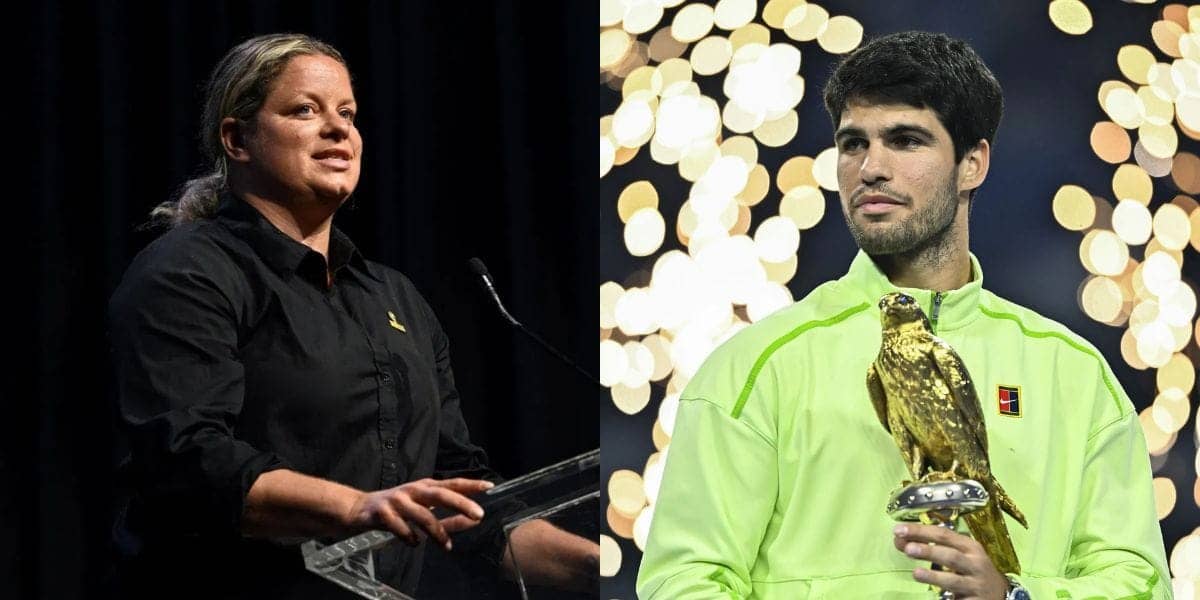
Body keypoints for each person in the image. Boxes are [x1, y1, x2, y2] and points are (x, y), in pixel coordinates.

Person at [636, 31, 1171, 599]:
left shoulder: (1073, 374)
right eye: (853, 144)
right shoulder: (755, 367)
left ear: (972, 164)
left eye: (905, 140)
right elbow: (683, 583)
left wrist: (1014, 597)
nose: (871, 167)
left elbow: (1138, 585)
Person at [108, 33, 597, 598]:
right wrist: (354, 507)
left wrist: (608, 567)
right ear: (237, 139)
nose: (338, 129)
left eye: (347, 113)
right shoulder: (187, 272)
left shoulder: (396, 299)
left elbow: (459, 496)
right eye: (305, 110)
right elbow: (188, 462)